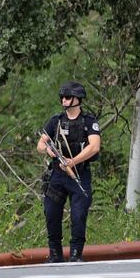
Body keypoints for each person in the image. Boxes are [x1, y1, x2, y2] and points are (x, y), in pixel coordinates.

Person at [36, 81, 101, 263]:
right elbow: (41, 143)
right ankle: (55, 254)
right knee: (51, 212)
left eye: (67, 97)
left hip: (79, 173)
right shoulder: (56, 121)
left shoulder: (89, 121)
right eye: (62, 97)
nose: (63, 100)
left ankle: (76, 254)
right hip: (57, 175)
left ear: (77, 99)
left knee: (78, 214)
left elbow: (94, 146)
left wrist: (73, 161)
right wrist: (48, 150)